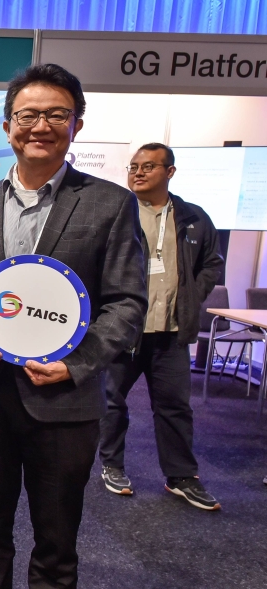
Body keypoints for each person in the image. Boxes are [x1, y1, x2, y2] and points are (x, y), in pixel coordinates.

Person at [0, 64, 147, 588]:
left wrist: (75, 364)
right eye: (28, 115)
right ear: (9, 127)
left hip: (64, 403)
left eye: (56, 115)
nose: (40, 126)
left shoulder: (109, 204)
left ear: (76, 125)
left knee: (57, 539)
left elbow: (127, 303)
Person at [99, 143, 223, 510]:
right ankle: (112, 465)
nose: (137, 172)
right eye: (134, 166)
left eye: (148, 166)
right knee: (111, 402)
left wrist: (191, 296)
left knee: (174, 407)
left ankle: (181, 476)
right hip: (124, 330)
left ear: (169, 172)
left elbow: (212, 263)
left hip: (171, 331)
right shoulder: (117, 213)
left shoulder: (193, 217)